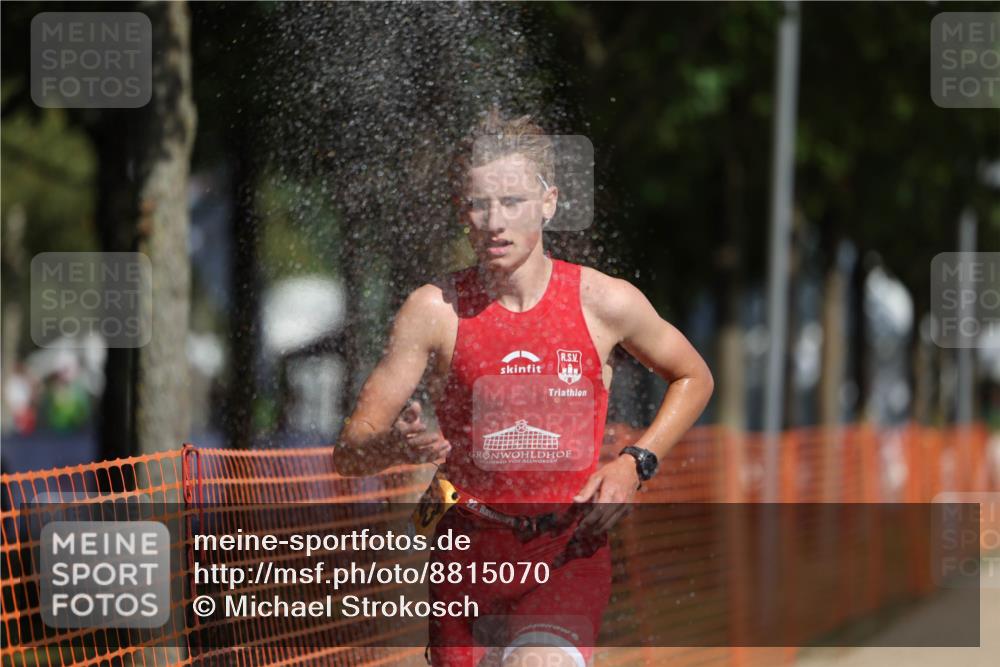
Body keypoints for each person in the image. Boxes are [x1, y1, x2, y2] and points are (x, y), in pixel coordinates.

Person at [335, 110, 714, 667]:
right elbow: (348, 453)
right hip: (466, 552)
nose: (494, 222)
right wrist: (394, 447)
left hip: (566, 549)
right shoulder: (433, 311)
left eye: (511, 202)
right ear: (461, 211)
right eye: (478, 204)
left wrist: (636, 462)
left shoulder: (602, 303)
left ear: (549, 202)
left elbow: (694, 376)